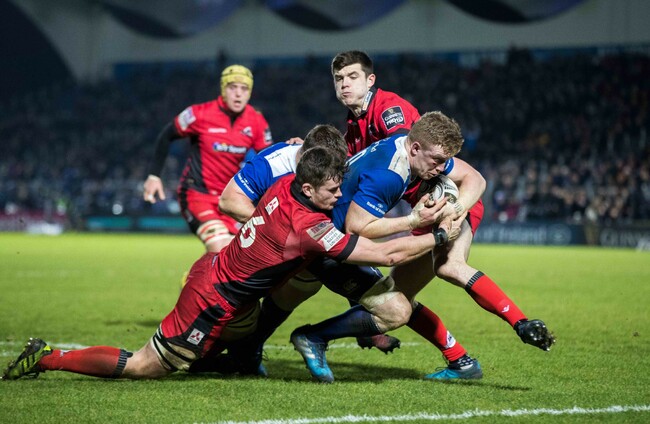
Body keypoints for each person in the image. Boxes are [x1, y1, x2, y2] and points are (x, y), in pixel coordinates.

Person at [2, 146, 452, 382]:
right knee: (146, 365)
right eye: (333, 191)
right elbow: (386, 255)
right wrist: (432, 233)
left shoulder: (283, 186)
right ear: (309, 189)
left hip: (226, 284)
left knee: (237, 339)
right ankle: (49, 358)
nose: (339, 197)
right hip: (211, 299)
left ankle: (223, 357)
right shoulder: (309, 228)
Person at [290, 111, 555, 382]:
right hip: (326, 244)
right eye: (437, 161)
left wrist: (455, 209)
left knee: (408, 290)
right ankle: (313, 337)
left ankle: (461, 360)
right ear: (415, 148)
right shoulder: (389, 173)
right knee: (400, 305)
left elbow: (476, 178)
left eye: (444, 161)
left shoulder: (413, 151)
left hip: (339, 237)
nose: (441, 168)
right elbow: (357, 227)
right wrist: (413, 221)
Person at [142, 64, 273, 253]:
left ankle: (197, 274)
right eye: (232, 87)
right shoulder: (199, 114)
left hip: (230, 199)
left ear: (250, 93)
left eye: (244, 89)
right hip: (197, 194)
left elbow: (269, 161)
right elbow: (166, 135)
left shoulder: (256, 121)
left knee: (241, 254)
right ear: (223, 89)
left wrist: (290, 149)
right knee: (220, 245)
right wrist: (154, 176)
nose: (238, 94)